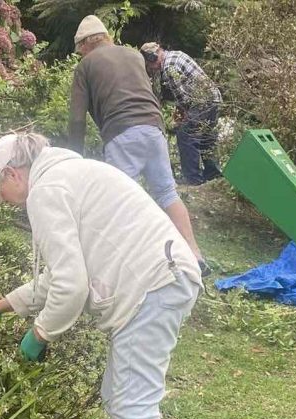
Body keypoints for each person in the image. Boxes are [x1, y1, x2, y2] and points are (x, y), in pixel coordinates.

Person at [0, 132, 202, 419]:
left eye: (0, 191)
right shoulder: (67, 176)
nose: (5, 202)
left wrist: (40, 334)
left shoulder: (46, 191)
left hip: (150, 285)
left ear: (11, 174)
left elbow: (71, 286)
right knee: (120, 398)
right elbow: (58, 275)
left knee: (134, 410)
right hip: (162, 278)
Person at [69, 15, 210, 276]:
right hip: (153, 127)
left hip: (122, 132)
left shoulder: (86, 66)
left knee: (122, 200)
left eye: (81, 49)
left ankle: (133, 265)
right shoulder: (134, 55)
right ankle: (195, 255)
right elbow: (148, 92)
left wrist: (74, 161)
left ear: (86, 44)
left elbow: (77, 119)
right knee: (167, 193)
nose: (81, 54)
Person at [140, 42, 223, 186]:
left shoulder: (168, 69)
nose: (151, 69)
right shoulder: (176, 54)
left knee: (186, 136)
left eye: (149, 65)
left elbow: (184, 100)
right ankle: (213, 175)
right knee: (206, 137)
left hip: (202, 103)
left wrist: (180, 120)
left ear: (152, 58)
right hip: (214, 98)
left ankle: (193, 179)